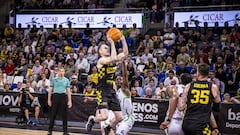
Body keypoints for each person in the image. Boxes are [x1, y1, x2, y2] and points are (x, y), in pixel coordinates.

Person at [85, 33, 128, 135]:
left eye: (108, 48)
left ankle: (108, 126)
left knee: (120, 117)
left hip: (111, 91)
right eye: (105, 48)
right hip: (102, 91)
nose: (107, 49)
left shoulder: (112, 59)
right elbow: (113, 58)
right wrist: (112, 43)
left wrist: (122, 39)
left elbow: (125, 53)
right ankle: (92, 119)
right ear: (100, 51)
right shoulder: (101, 60)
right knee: (104, 116)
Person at [179, 63, 220, 135]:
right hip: (202, 124)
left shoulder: (188, 86)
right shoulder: (213, 87)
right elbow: (216, 107)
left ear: (198, 73)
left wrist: (180, 98)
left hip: (187, 123)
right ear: (208, 73)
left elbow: (180, 107)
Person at [47, 68, 72, 135]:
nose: (61, 72)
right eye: (60, 71)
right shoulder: (54, 80)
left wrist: (70, 101)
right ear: (58, 72)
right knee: (53, 114)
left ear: (64, 72)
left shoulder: (66, 80)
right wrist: (49, 100)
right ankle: (50, 130)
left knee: (65, 115)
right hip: (55, 96)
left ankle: (65, 131)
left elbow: (68, 91)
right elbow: (50, 90)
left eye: (63, 71)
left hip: (63, 97)